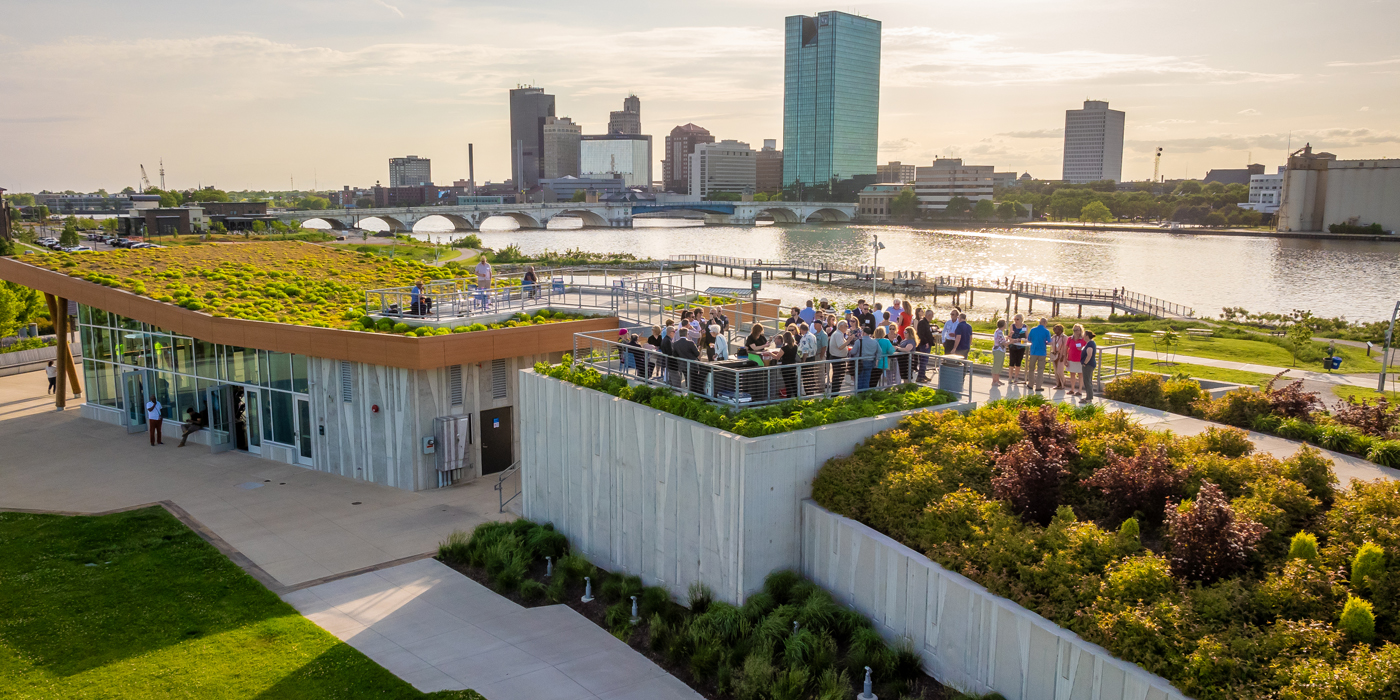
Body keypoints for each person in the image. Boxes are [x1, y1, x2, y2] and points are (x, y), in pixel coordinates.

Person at [1026, 318, 1052, 392]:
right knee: (1040, 370)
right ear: (1045, 323)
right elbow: (1049, 342)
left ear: (1039, 322)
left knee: (1031, 368)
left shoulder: (1033, 330)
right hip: (1042, 352)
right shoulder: (1046, 331)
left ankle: (1031, 384)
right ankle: (1038, 386)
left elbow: (1029, 339)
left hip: (1033, 351)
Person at [1066, 324, 1088, 396]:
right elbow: (1066, 348)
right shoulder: (1070, 338)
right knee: (1072, 374)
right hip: (1071, 358)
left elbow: (1087, 348)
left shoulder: (1083, 339)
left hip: (1080, 359)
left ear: (1080, 330)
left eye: (1077, 330)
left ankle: (1080, 390)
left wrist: (1081, 348)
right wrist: (1065, 358)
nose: (1076, 331)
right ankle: (1072, 389)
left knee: (1080, 375)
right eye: (1074, 330)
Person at [1007, 314, 1028, 385]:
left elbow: (1026, 337)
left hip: (1021, 346)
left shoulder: (1024, 327)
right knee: (1012, 361)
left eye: (1017, 319)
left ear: (1021, 320)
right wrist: (1013, 339)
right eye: (1015, 319)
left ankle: (1016, 377)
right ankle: (1010, 377)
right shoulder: (1012, 326)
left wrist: (1021, 340)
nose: (1016, 321)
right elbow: (1009, 336)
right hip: (1013, 346)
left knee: (1018, 362)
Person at [828, 320, 849, 392]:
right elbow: (840, 346)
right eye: (846, 326)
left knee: (839, 376)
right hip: (837, 358)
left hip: (839, 357)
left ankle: (835, 393)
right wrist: (849, 340)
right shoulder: (838, 334)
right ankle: (834, 394)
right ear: (841, 326)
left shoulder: (839, 334)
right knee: (838, 377)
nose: (847, 327)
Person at [915, 309, 935, 382]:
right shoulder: (922, 323)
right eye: (932, 316)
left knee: (925, 361)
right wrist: (926, 342)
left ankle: (923, 374)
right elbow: (921, 334)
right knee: (923, 360)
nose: (932, 317)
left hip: (927, 344)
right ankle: (920, 377)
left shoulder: (926, 323)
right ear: (929, 315)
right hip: (924, 345)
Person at [1080, 331, 1099, 404]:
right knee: (1088, 380)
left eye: (1084, 335)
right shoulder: (1090, 343)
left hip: (1088, 365)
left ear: (1087, 336)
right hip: (1089, 364)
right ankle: (1088, 396)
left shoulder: (1090, 344)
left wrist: (1085, 363)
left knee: (1087, 381)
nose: (1083, 336)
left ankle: (1089, 398)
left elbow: (1089, 354)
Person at [1051, 323, 1069, 390]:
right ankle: (1058, 384)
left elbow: (1065, 347)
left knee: (1059, 371)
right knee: (1056, 371)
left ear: (1061, 330)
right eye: (1054, 329)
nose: (1055, 331)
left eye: (1057, 329)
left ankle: (1062, 384)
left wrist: (1063, 356)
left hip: (1061, 355)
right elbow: (1050, 342)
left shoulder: (1064, 337)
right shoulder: (1054, 337)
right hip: (1055, 355)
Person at [991, 319, 1008, 387]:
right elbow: (1003, 343)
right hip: (999, 350)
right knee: (997, 365)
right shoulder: (1000, 332)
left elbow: (1002, 340)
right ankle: (994, 381)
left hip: (999, 350)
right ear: (1003, 325)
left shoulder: (998, 331)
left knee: (999, 366)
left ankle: (997, 379)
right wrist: (1012, 341)